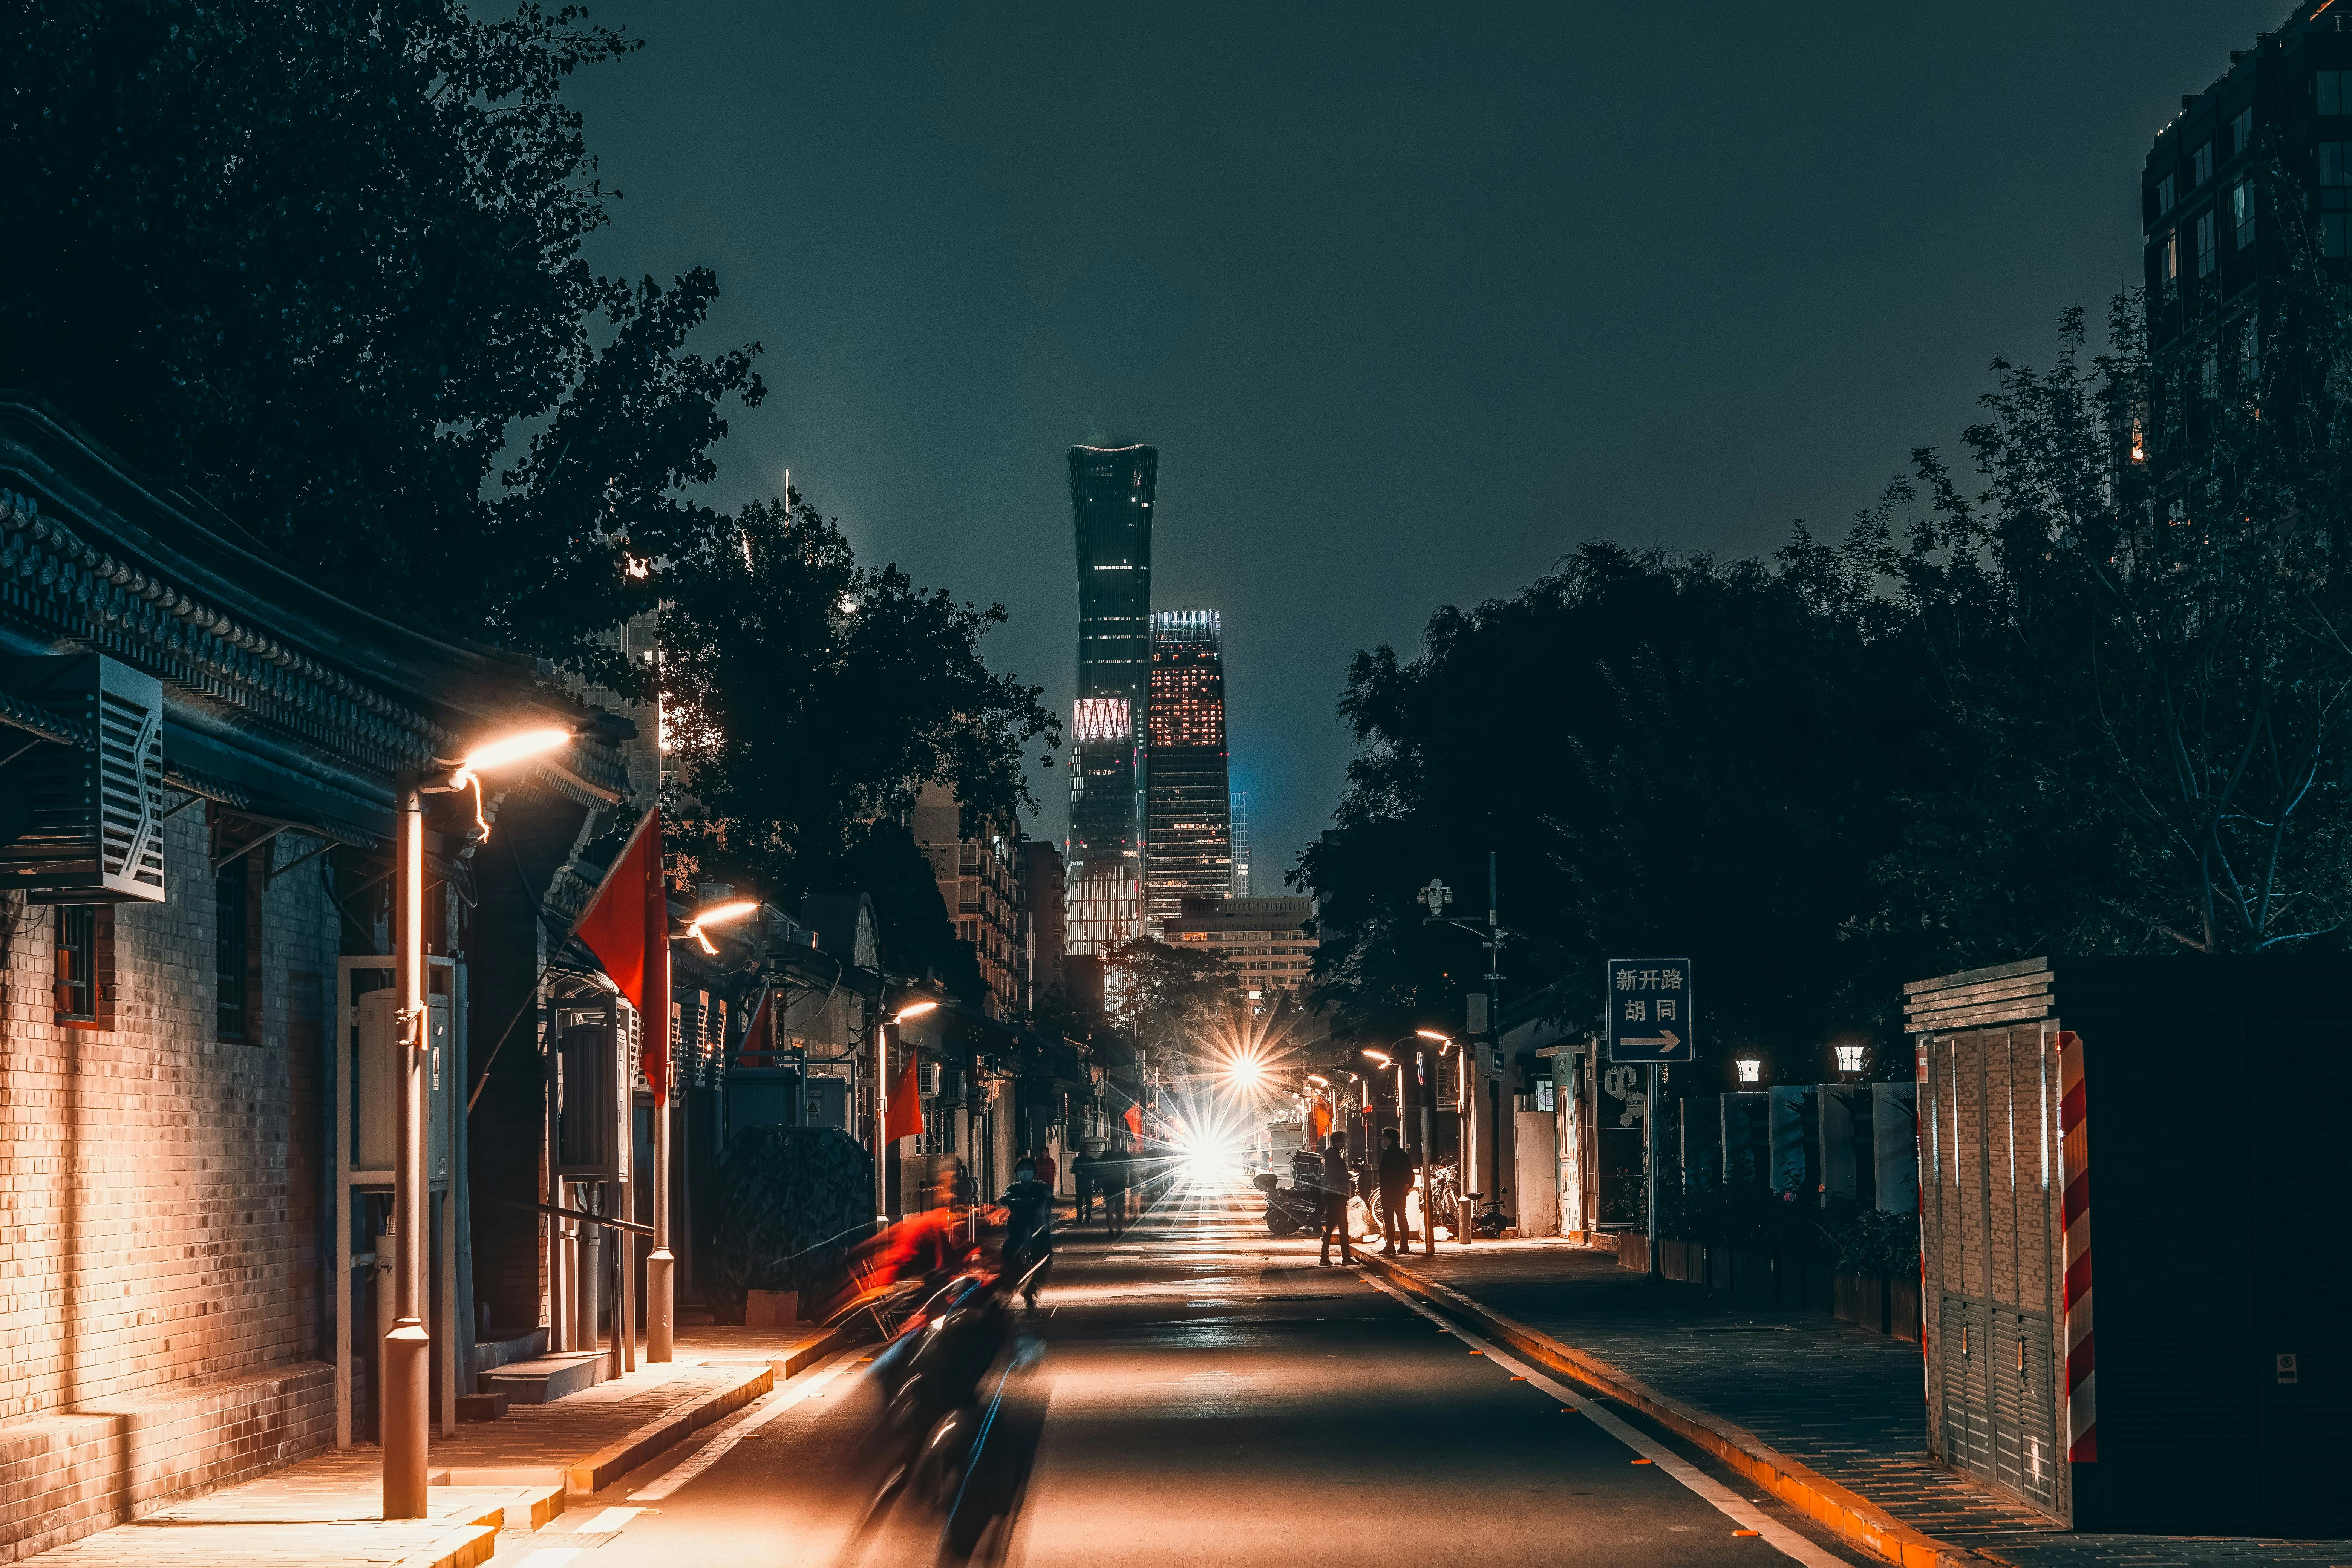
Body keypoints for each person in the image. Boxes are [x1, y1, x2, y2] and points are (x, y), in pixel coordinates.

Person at [999, 1156, 1054, 1308]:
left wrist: (1047, 1198)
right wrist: (1008, 1200)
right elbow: (1007, 1197)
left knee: (1044, 1257)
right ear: (1017, 1173)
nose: (1025, 1172)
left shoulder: (1040, 1187)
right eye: (1022, 1169)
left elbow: (1049, 1196)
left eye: (1028, 1169)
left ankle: (1036, 1282)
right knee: (1008, 1253)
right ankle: (1017, 1282)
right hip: (1018, 1229)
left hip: (1038, 1228)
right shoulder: (1013, 1189)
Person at [1317, 1131, 1356, 1266]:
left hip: (1333, 1196)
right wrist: (1349, 1176)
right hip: (1337, 1196)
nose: (1345, 1144)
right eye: (1343, 1141)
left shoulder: (1331, 1156)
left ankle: (1325, 1257)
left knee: (1331, 1227)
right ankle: (1345, 1257)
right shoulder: (1334, 1157)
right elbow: (1339, 1176)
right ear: (1338, 1142)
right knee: (1343, 1227)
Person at [1376, 1127, 1414, 1256]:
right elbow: (1410, 1171)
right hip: (1400, 1192)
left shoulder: (1388, 1155)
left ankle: (1390, 1245)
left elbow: (1386, 1173)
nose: (1383, 1141)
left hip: (1389, 1192)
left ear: (1391, 1139)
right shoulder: (1402, 1154)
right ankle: (1404, 1246)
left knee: (1389, 1219)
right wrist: (1407, 1186)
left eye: (1384, 1138)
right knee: (1401, 1217)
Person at [1071, 1146, 1098, 1222]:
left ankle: (1088, 1217)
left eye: (1086, 1150)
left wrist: (1093, 1180)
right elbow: (1073, 1169)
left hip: (1088, 1183)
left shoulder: (1091, 1160)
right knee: (1080, 1201)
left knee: (1089, 1201)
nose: (1085, 1152)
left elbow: (1095, 1171)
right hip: (1081, 1183)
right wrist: (1078, 1172)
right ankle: (1080, 1217)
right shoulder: (1078, 1160)